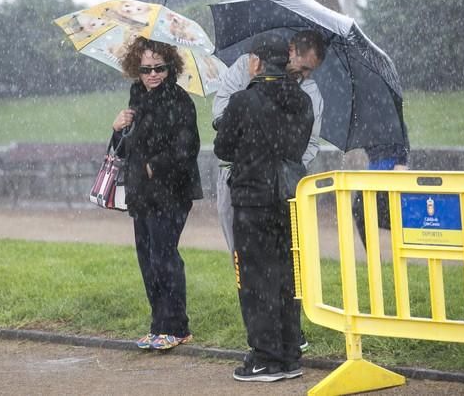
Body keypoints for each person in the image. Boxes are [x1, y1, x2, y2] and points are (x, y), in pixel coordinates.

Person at [211, 30, 326, 354]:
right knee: (284, 272)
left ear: (258, 62)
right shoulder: (302, 101)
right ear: (289, 56)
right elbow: (301, 144)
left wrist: (250, 143)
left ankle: (265, 355)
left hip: (253, 194)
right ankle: (288, 348)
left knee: (256, 276)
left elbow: (224, 146)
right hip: (285, 193)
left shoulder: (246, 100)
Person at [111, 36, 203, 350]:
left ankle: (176, 327)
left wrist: (153, 166)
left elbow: (188, 148)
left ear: (170, 67)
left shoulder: (179, 100)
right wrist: (117, 128)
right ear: (136, 69)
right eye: (145, 68)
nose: (152, 74)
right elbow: (122, 152)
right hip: (141, 194)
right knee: (147, 258)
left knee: (164, 256)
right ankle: (158, 325)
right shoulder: (136, 98)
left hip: (172, 192)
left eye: (159, 68)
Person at [352, 143, 409, 247]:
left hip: (391, 173)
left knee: (398, 218)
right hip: (373, 175)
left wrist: (402, 161)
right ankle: (374, 258)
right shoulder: (368, 130)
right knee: (359, 212)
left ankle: (405, 250)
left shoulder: (393, 128)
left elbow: (402, 137)